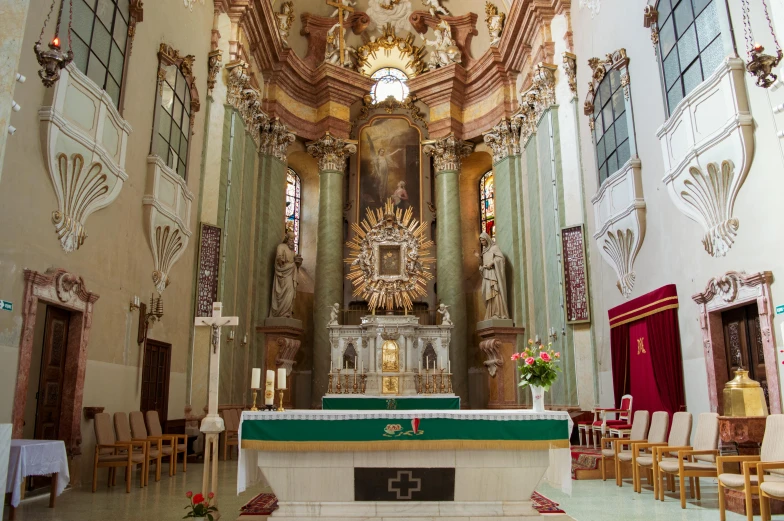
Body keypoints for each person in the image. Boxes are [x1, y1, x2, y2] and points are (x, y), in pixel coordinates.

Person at [474, 232, 510, 320]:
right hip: (487, 274)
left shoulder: (494, 248)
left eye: (483, 240)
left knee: (495, 292)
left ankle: (498, 313)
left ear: (487, 239)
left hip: (493, 274)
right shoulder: (484, 251)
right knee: (487, 293)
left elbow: (501, 259)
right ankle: (491, 313)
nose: (482, 242)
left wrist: (492, 263)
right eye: (481, 241)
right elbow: (482, 263)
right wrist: (479, 259)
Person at [269, 230, 301, 318]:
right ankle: (281, 312)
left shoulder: (292, 251)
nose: (292, 241)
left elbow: (293, 261)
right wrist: (280, 260)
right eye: (291, 239)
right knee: (284, 292)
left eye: (293, 239)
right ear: (287, 239)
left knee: (290, 291)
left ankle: (287, 312)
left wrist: (298, 262)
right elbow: (278, 257)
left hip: (290, 273)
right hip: (283, 273)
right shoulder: (281, 246)